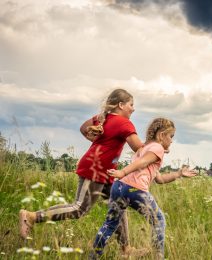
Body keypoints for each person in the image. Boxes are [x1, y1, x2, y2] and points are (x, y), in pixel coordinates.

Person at [19, 88, 144, 256]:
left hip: (108, 173)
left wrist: (94, 138)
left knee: (119, 206)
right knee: (79, 208)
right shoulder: (123, 123)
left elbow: (83, 128)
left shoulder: (103, 118)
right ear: (121, 105)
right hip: (94, 169)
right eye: (131, 104)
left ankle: (126, 250)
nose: (133, 108)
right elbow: (139, 148)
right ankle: (31, 216)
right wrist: (157, 147)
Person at [91, 117, 197, 259]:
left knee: (110, 224)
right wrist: (122, 172)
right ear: (161, 135)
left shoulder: (144, 149)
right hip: (135, 189)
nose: (172, 141)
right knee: (159, 220)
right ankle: (158, 256)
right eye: (171, 136)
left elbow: (159, 179)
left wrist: (178, 174)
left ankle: (93, 255)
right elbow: (142, 163)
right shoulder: (157, 148)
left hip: (119, 187)